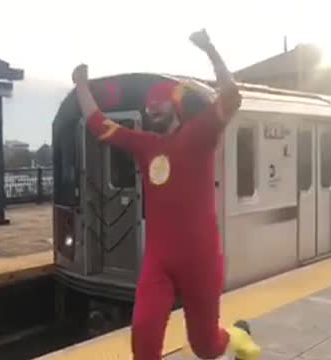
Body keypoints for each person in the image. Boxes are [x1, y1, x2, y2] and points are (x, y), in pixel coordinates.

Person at [71, 29, 261, 360]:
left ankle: (238, 334)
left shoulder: (199, 133)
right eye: (147, 106)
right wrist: (82, 86)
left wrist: (210, 49)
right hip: (159, 260)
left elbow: (231, 97)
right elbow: (100, 126)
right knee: (143, 339)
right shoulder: (146, 147)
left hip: (200, 259)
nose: (149, 109)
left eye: (156, 102)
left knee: (206, 347)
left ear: (174, 105)